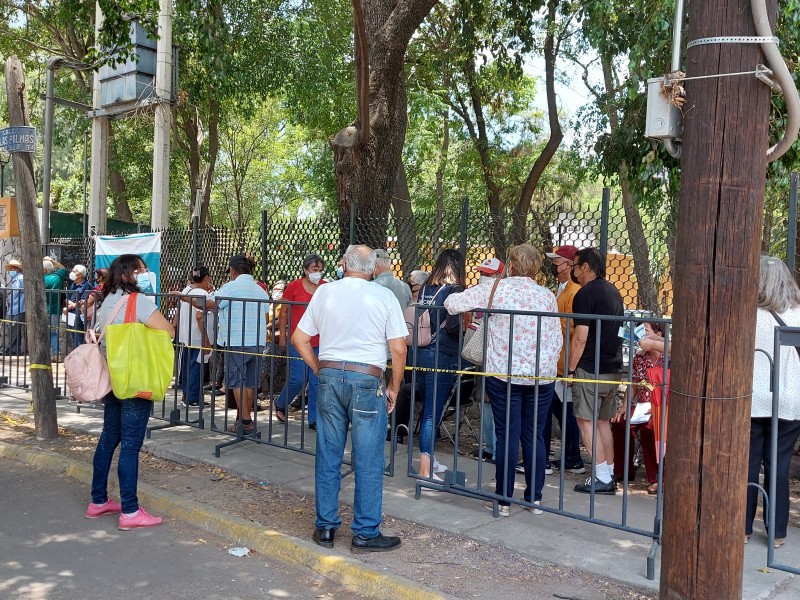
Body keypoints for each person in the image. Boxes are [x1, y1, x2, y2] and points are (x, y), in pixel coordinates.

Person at [292, 244, 407, 553]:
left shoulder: (325, 292)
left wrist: (319, 369)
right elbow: (398, 348)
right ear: (372, 268)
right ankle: (366, 531)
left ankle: (326, 527)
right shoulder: (384, 296)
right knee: (368, 456)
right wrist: (394, 387)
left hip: (330, 374)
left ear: (342, 264)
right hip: (368, 378)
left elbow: (299, 338)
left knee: (328, 452)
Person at [446, 244, 561, 516]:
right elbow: (556, 335)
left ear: (511, 264)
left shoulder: (496, 289)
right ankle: (534, 498)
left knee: (506, 433)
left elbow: (452, 305)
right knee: (534, 434)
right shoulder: (546, 296)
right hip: (540, 375)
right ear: (536, 267)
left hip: (504, 372)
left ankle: (504, 499)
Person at [86, 253, 175, 530]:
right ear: (127, 274)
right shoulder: (138, 301)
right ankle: (131, 511)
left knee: (108, 437)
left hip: (111, 378)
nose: (144, 275)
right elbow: (168, 331)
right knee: (131, 446)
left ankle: (98, 502)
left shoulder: (107, 300)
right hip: (135, 380)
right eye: (140, 270)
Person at [746, 255, 800, 548]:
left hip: (753, 397)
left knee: (748, 462)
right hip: (789, 399)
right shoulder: (798, 314)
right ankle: (777, 532)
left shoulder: (747, 315)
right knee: (779, 464)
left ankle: (741, 527)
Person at [566, 247, 624, 495]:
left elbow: (580, 338)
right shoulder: (614, 291)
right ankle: (608, 473)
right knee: (602, 422)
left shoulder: (584, 294)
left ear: (586, 267)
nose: (574, 270)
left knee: (585, 421)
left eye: (576, 265)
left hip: (590, 367)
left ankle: (600, 476)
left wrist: (570, 370)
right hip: (612, 367)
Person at [412, 249, 465, 480]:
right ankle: (425, 468)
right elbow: (453, 326)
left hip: (422, 351)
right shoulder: (454, 291)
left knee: (428, 410)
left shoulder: (426, 287)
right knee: (433, 413)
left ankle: (429, 459)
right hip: (442, 354)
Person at [211, 256, 270, 434]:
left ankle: (245, 421)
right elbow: (266, 316)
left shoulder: (230, 287)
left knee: (237, 381)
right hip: (258, 342)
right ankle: (243, 420)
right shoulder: (260, 290)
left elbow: (210, 304)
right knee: (251, 382)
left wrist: (185, 298)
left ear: (233, 271)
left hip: (237, 342)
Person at [543, 245, 585, 475]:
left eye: (557, 261)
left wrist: (549, 322)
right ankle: (565, 455)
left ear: (569, 264)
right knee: (556, 409)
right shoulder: (560, 289)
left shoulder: (575, 291)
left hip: (564, 362)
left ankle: (573, 457)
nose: (554, 265)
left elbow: (573, 326)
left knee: (566, 412)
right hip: (555, 361)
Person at [275, 254, 326, 429]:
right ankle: (281, 403)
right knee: (298, 379)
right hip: (297, 341)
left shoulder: (325, 287)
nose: (317, 273)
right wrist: (282, 334)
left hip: (319, 341)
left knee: (316, 380)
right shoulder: (294, 287)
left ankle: (314, 419)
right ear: (306, 270)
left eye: (320, 270)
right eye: (314, 270)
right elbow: (283, 312)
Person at [611, 322, 663, 493]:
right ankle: (622, 470)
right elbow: (633, 384)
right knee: (620, 422)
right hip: (642, 405)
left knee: (650, 428)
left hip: (662, 406)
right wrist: (625, 405)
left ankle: (656, 478)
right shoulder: (639, 357)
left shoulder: (669, 356)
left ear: (659, 334)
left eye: (646, 332)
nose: (642, 336)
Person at [467, 256, 505, 464]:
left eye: (487, 275)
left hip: (500, 358)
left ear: (500, 275)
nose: (483, 277)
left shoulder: (505, 294)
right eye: (481, 273)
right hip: (483, 356)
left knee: (497, 404)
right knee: (484, 402)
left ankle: (498, 450)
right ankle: (490, 447)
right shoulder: (478, 292)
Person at [174, 266, 214, 407]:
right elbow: (199, 316)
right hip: (198, 336)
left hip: (186, 336)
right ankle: (193, 398)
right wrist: (206, 339)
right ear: (206, 278)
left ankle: (187, 395)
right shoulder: (201, 293)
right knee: (197, 367)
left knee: (188, 366)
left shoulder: (186, 290)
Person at [43, 256, 68, 360]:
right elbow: (62, 267)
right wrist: (51, 261)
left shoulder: (42, 279)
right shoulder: (58, 277)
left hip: (44, 310)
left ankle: (46, 354)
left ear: (44, 270)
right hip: (56, 310)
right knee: (54, 332)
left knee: (45, 332)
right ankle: (56, 353)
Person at [66, 264, 93, 350]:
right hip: (70, 313)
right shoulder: (73, 284)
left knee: (79, 336)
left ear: (80, 274)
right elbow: (68, 297)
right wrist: (67, 304)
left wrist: (73, 305)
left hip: (78, 313)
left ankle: (80, 356)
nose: (72, 272)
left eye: (75, 271)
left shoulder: (87, 286)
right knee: (73, 336)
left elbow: (84, 301)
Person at [3, 259, 25, 355]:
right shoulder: (15, 279)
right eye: (10, 268)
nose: (11, 270)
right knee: (16, 331)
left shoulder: (20, 278)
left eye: (12, 268)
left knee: (13, 330)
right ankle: (15, 350)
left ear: (17, 269)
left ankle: (9, 349)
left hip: (19, 308)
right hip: (14, 308)